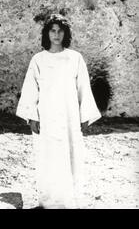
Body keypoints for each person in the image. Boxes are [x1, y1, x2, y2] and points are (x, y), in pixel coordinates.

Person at [16, 14, 101, 208]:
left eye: (60, 31)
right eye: (52, 30)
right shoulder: (38, 59)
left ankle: (69, 200)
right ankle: (49, 201)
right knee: (48, 155)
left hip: (69, 116)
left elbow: (83, 87)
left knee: (71, 154)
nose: (56, 34)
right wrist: (32, 117)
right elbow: (31, 89)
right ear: (47, 33)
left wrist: (84, 115)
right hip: (47, 115)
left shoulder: (74, 58)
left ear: (65, 33)